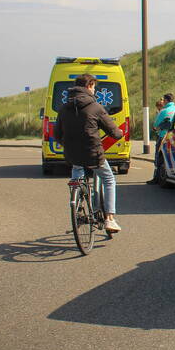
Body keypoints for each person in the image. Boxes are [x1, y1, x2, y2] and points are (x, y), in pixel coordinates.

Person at [55, 74, 124, 232]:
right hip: (93, 153)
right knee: (109, 179)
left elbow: (57, 134)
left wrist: (67, 145)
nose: (94, 90)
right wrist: (119, 133)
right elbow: (113, 131)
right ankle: (109, 219)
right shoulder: (95, 107)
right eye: (93, 87)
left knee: (77, 177)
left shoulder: (64, 108)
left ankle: (77, 208)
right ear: (88, 86)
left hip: (72, 155)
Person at [147, 98, 168, 185]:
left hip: (162, 135)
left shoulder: (162, 112)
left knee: (158, 157)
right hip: (168, 136)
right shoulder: (170, 110)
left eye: (158, 107)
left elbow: (155, 125)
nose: (158, 109)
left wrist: (155, 128)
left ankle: (156, 177)